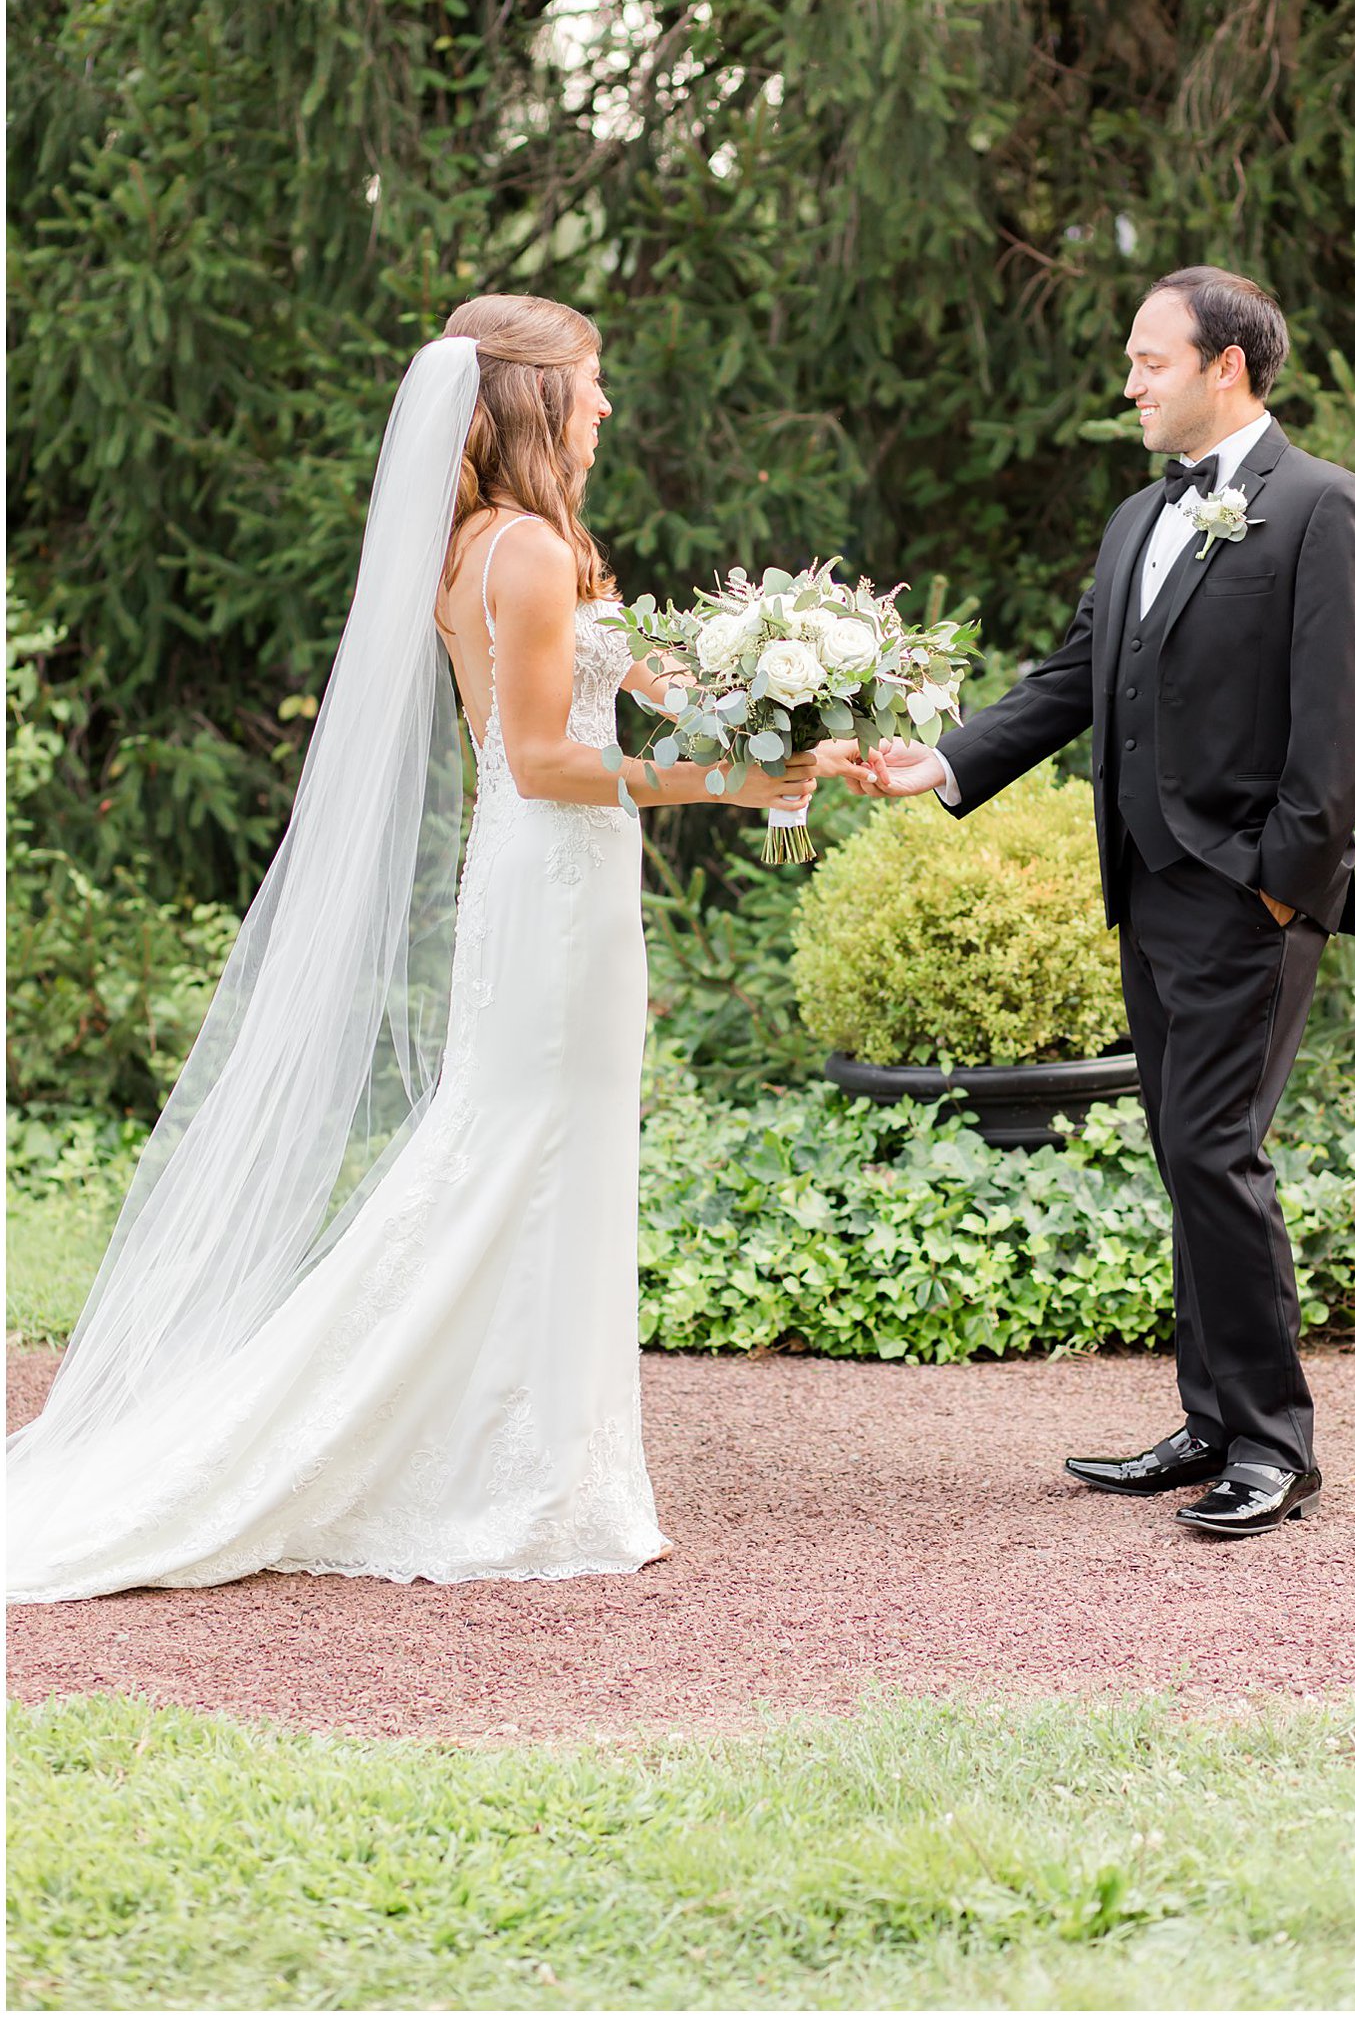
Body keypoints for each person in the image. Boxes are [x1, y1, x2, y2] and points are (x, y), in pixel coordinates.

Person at [7, 294, 821, 1600]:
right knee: (511, 1154)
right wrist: (728, 783)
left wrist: (809, 707)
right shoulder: (531, 555)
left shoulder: (504, 541)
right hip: (552, 879)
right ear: (531, 400)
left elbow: (666, 687)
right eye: (592, 384)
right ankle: (514, 1474)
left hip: (548, 887)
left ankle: (542, 1460)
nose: (606, 406)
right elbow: (552, 759)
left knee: (529, 1148)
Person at [849, 267, 1355, 1537]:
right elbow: (1073, 678)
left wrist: (1278, 892)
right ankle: (1209, 1419)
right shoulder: (1137, 517)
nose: (1128, 382)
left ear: (1226, 368)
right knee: (1182, 1152)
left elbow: (1342, 723)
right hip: (1146, 893)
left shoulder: (1321, 509)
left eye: (1150, 361)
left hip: (1244, 897)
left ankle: (1271, 1444)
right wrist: (940, 762)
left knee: (1213, 1150)